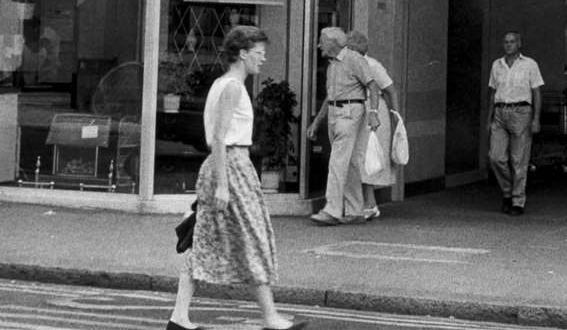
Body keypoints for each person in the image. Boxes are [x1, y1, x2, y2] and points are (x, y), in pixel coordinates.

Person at [165, 25, 305, 330]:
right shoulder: (232, 87)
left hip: (225, 166)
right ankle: (269, 317)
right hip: (231, 165)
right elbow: (218, 137)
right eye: (259, 53)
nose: (263, 59)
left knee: (201, 241)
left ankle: (179, 317)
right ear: (242, 54)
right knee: (253, 238)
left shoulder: (221, 84)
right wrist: (224, 185)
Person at [306, 26, 379, 225]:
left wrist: (373, 113)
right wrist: (317, 122)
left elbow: (372, 85)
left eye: (322, 41)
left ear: (334, 43)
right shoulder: (332, 65)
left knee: (337, 161)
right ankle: (355, 210)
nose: (319, 45)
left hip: (350, 112)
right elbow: (330, 98)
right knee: (351, 162)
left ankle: (332, 210)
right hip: (335, 112)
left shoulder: (354, 59)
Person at [487, 31, 543, 215]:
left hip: (521, 112)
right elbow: (493, 93)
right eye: (506, 42)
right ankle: (507, 193)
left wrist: (535, 119)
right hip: (500, 112)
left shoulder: (530, 64)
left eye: (512, 42)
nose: (508, 45)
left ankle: (517, 201)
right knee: (496, 157)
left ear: (519, 44)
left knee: (519, 160)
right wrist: (489, 119)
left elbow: (536, 93)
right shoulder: (497, 65)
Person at [345, 29, 397, 220]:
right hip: (357, 112)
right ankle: (365, 203)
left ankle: (369, 203)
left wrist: (395, 116)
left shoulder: (373, 65)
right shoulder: (348, 64)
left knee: (365, 157)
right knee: (357, 158)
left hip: (372, 113)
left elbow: (391, 91)